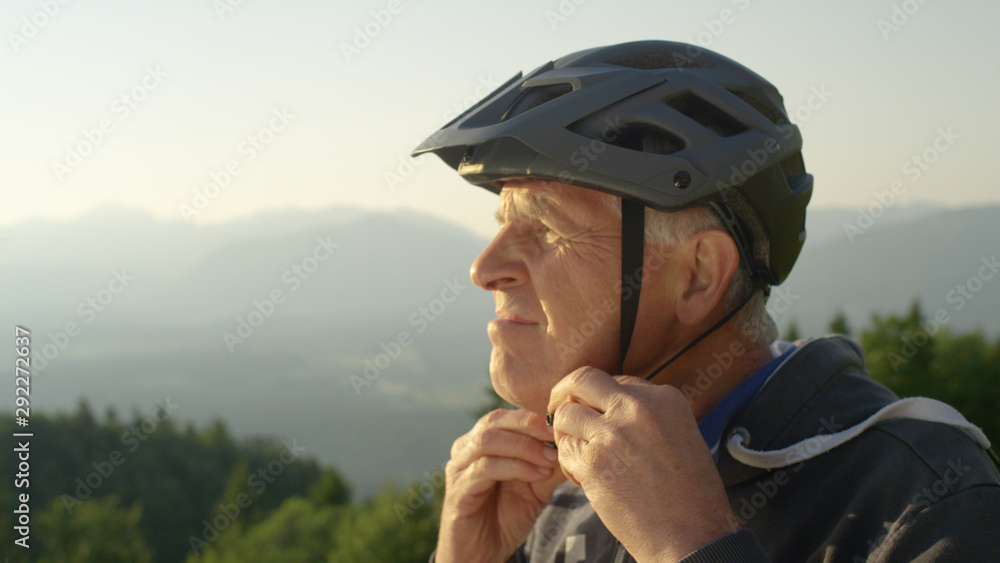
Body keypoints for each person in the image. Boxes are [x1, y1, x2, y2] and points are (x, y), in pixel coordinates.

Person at [411, 40, 1000, 562]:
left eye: (545, 229)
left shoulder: (926, 501)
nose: (483, 269)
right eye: (501, 225)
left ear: (696, 275)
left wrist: (691, 546)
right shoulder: (563, 491)